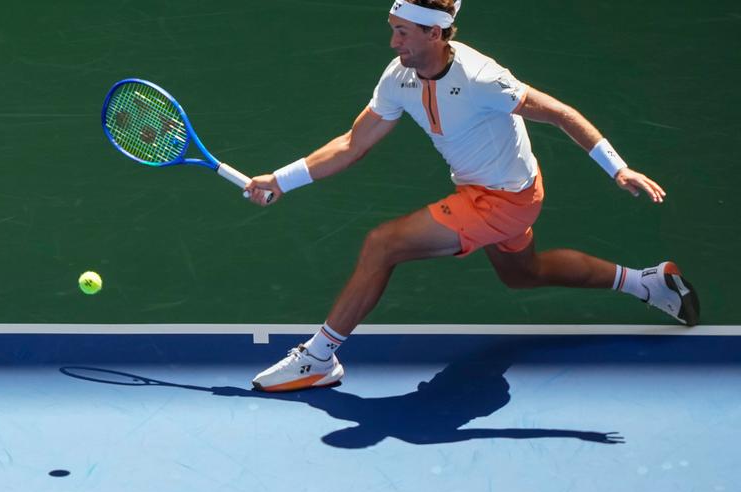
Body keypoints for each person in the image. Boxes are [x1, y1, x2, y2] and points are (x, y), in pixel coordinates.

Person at [245, 0, 699, 393]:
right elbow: (353, 143)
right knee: (525, 273)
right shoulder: (399, 76)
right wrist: (280, 180)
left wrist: (617, 168)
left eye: (402, 33)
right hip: (490, 188)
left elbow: (560, 114)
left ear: (434, 33)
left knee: (382, 244)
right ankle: (647, 282)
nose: (392, 43)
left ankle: (320, 357)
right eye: (393, 30)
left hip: (504, 199)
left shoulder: (482, 77)